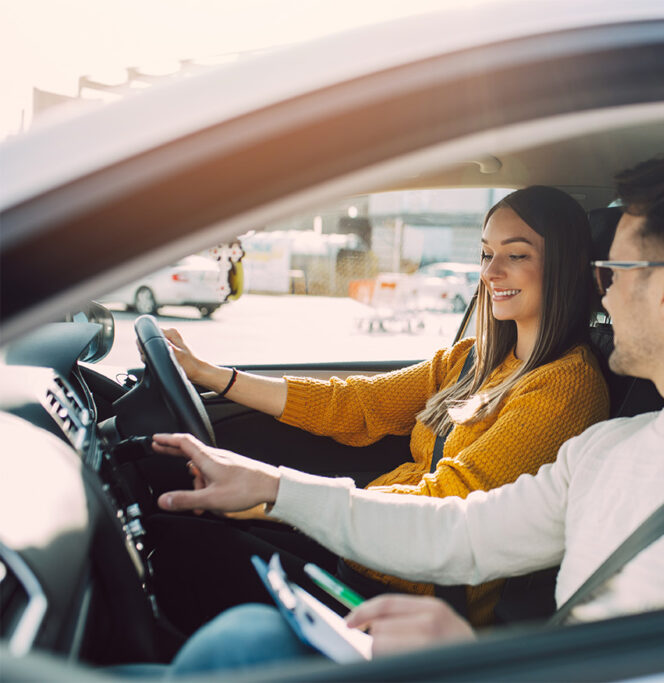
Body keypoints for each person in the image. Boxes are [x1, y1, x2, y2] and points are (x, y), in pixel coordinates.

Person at [154, 155, 664, 669]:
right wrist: (272, 487)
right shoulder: (611, 450)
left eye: (612, 270)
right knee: (245, 642)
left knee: (240, 647)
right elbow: (460, 530)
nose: (601, 290)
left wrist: (484, 660)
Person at [147, 185, 610, 631]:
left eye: (516, 254)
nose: (490, 272)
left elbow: (449, 510)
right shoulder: (470, 359)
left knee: (187, 551)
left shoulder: (565, 387)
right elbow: (354, 405)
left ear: (563, 266)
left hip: (419, 600)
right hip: (368, 555)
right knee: (177, 533)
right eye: (486, 253)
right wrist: (212, 375)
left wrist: (275, 500)